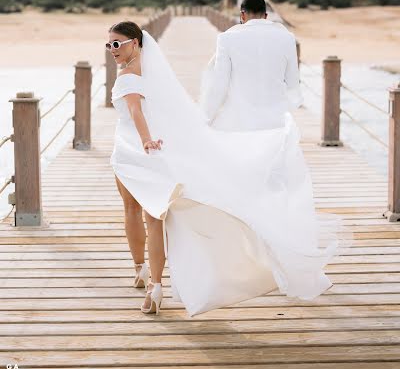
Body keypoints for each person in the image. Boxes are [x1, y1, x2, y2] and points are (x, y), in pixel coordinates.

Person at [108, 18, 343, 317]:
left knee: (133, 211)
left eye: (117, 44)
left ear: (136, 43)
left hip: (133, 150)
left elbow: (135, 110)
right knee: (153, 218)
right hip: (158, 151)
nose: (112, 50)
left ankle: (140, 270)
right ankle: (154, 284)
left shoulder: (127, 77)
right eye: (109, 44)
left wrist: (144, 140)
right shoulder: (155, 74)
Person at [201, 0, 303, 130]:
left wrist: (206, 118)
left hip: (239, 121)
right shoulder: (287, 38)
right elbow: (293, 84)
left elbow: (220, 84)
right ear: (266, 16)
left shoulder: (226, 39)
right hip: (276, 123)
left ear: (242, 15)